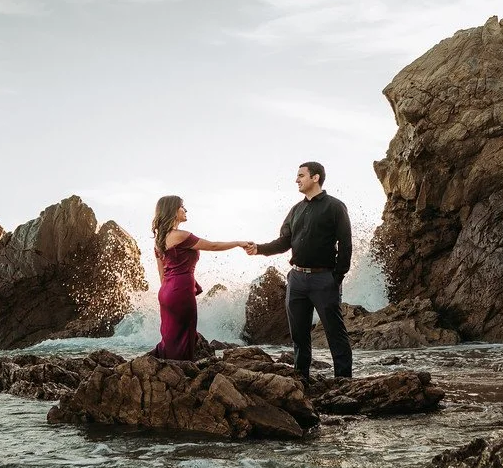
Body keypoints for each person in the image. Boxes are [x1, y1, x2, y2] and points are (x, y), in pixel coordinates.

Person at [246, 162, 353, 380]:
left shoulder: (335, 206)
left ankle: (343, 381)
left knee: (335, 333)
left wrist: (337, 276)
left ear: (315, 178)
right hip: (296, 279)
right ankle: (301, 379)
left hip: (324, 278)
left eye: (301, 175)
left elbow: (346, 244)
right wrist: (259, 249)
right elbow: (284, 242)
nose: (297, 180)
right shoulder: (296, 210)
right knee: (299, 335)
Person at [151, 195, 252, 361]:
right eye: (182, 206)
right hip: (180, 290)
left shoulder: (159, 240)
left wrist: (171, 293)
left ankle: (166, 370)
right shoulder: (181, 235)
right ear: (173, 210)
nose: (185, 210)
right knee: (184, 334)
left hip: (166, 292)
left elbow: (162, 274)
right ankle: (180, 373)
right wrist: (238, 243)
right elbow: (213, 246)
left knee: (171, 337)